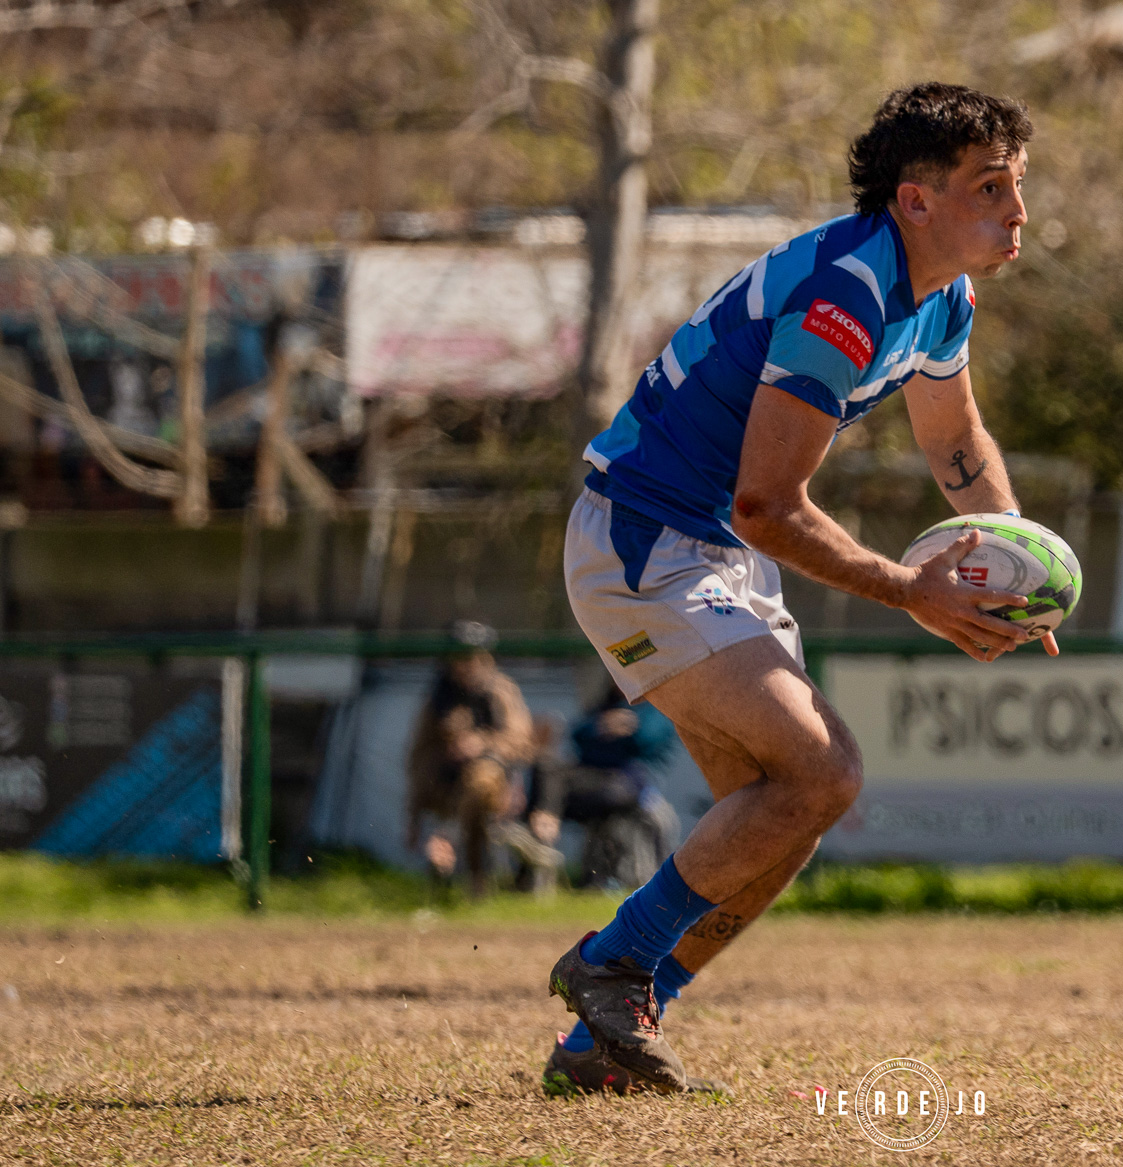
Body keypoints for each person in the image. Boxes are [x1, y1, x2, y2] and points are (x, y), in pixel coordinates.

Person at [544, 82, 1052, 1098]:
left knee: (779, 816)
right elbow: (770, 504)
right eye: (990, 187)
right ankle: (608, 965)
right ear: (916, 201)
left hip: (711, 553)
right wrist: (915, 590)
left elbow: (955, 442)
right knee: (823, 774)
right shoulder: (845, 296)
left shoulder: (940, 294)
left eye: (1018, 185)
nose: (1018, 211)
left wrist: (1011, 565)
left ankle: (606, 1038)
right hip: (647, 543)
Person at [406, 620, 539, 897]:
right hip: (446, 783)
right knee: (449, 779)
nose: (466, 664)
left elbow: (523, 743)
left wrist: (482, 743)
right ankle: (450, 865)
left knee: (481, 779)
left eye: (473, 656)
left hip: (494, 787)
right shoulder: (439, 696)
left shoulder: (501, 692)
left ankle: (463, 859)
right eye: (459, 657)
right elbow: (418, 752)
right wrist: (414, 813)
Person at [525, 685, 682, 890]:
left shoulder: (655, 708)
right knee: (544, 766)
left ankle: (541, 834)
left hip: (627, 783)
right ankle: (545, 824)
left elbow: (647, 739)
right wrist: (601, 726)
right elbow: (577, 734)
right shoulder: (606, 705)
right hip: (589, 779)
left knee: (549, 787)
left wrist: (628, 727)